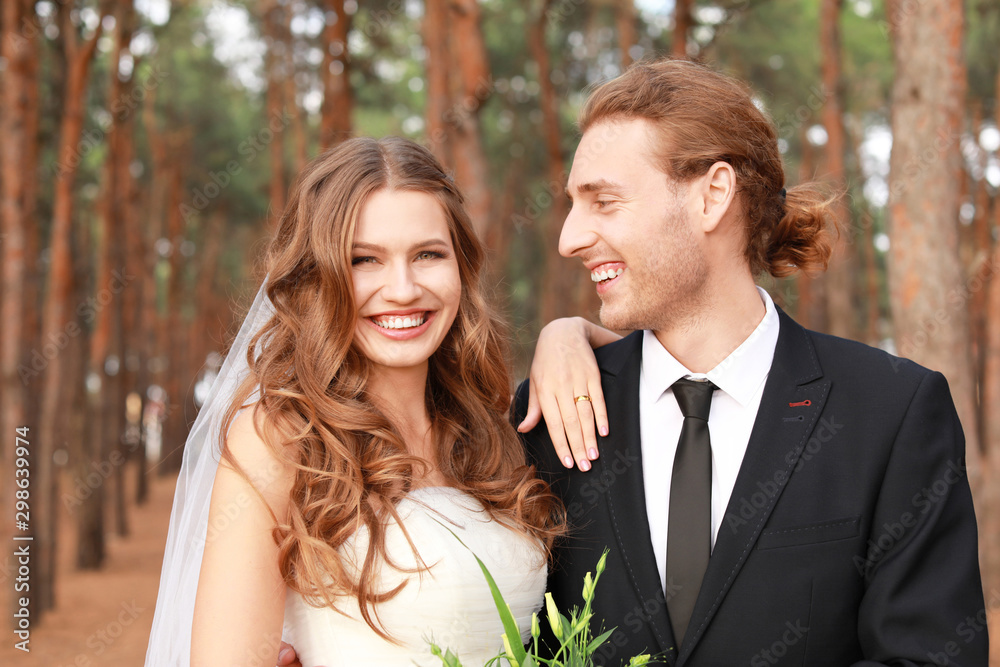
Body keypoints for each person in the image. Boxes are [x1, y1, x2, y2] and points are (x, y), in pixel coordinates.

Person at [509, 58, 988, 666]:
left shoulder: (890, 412)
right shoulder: (548, 412)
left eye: (604, 202)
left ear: (713, 196)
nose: (569, 238)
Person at [145, 136, 605, 666]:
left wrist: (571, 333)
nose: (403, 289)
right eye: (365, 260)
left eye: (428, 254)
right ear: (318, 278)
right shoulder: (280, 439)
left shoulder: (488, 431)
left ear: (462, 267)